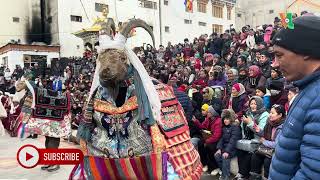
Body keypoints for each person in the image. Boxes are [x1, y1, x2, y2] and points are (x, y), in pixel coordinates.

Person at [269, 15, 320, 180]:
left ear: (305, 51)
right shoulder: (309, 90)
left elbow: (312, 174)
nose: (274, 64)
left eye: (279, 55)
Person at [235, 96, 269, 180]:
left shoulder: (265, 115)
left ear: (260, 104)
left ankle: (244, 174)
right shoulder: (248, 113)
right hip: (249, 139)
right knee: (240, 150)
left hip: (259, 140)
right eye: (251, 104)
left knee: (249, 153)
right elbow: (243, 128)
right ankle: (241, 173)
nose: (253, 106)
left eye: (255, 104)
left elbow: (261, 131)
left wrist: (250, 123)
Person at [250, 104, 286, 179]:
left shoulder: (282, 127)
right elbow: (265, 134)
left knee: (268, 161)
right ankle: (255, 177)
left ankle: (267, 177)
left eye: (273, 113)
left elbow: (277, 144)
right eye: (270, 112)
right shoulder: (270, 123)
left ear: (280, 115)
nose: (270, 115)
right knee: (255, 156)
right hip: (267, 149)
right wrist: (258, 130)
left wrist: (264, 141)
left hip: (276, 151)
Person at [193, 105, 222, 175]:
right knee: (200, 143)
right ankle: (205, 163)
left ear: (213, 114)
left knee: (209, 147)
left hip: (217, 141)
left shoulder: (218, 121)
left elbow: (216, 136)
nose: (207, 113)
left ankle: (215, 167)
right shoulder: (208, 119)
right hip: (209, 138)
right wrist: (196, 121)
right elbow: (203, 126)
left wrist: (207, 141)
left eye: (209, 112)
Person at [215, 109, 241, 180]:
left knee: (225, 157)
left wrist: (227, 151)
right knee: (217, 155)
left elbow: (233, 141)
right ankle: (225, 172)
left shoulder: (235, 127)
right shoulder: (224, 127)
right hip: (225, 147)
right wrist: (219, 148)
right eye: (224, 119)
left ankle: (225, 176)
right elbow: (222, 139)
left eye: (227, 119)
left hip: (233, 148)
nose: (225, 120)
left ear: (231, 119)